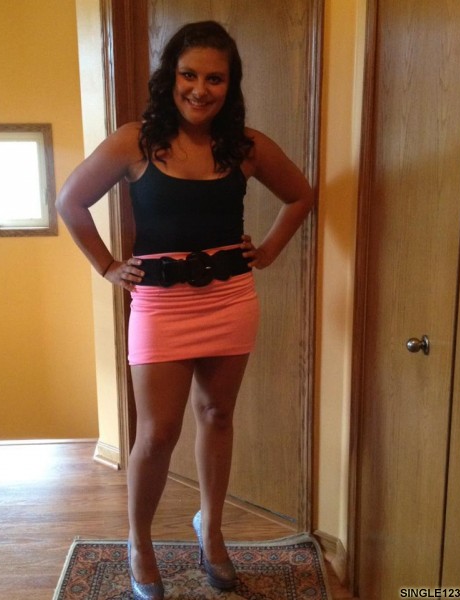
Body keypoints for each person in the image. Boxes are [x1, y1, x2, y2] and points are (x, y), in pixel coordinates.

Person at [56, 20, 313, 600]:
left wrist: (269, 250)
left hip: (230, 298)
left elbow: (301, 194)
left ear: (230, 84)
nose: (200, 89)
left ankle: (211, 531)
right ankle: (140, 542)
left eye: (214, 79)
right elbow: (70, 200)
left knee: (218, 416)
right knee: (157, 433)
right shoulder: (135, 142)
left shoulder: (246, 146)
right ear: (170, 77)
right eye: (189, 75)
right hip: (160, 304)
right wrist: (107, 265)